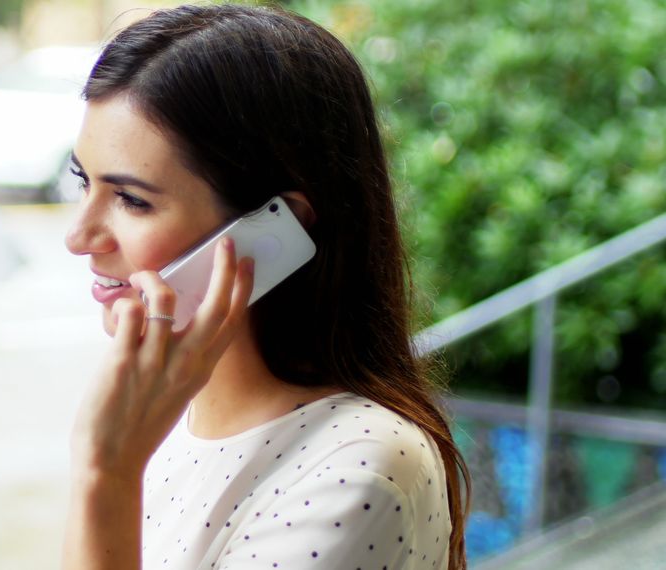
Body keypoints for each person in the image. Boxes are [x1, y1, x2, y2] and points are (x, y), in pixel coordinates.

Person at [62, 4, 469, 569]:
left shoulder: (359, 467)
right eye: (83, 180)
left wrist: (105, 474)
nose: (78, 237)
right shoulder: (161, 422)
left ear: (276, 229)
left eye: (132, 199)